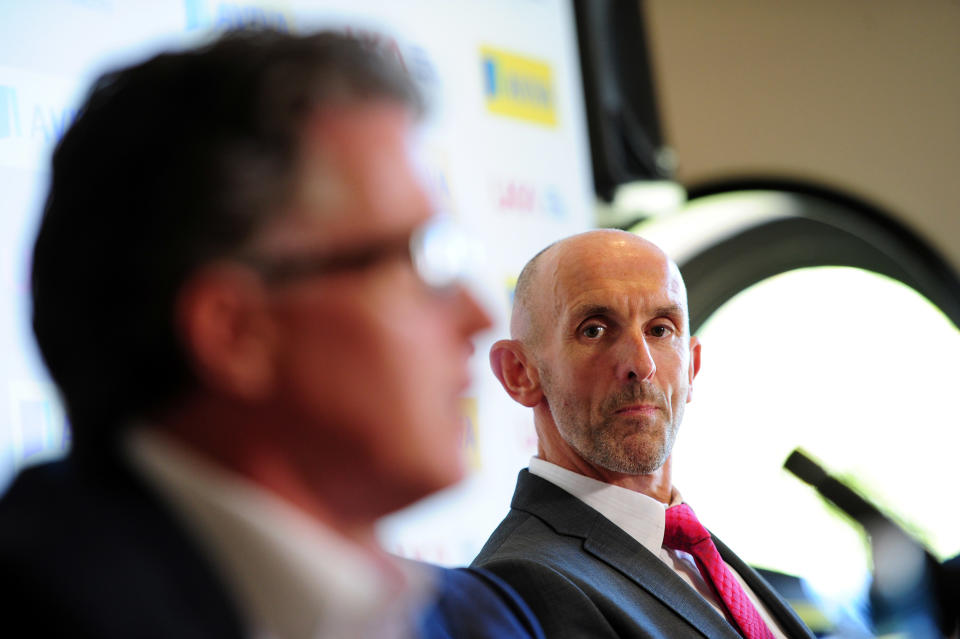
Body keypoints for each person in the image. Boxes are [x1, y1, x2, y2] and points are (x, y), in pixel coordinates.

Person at [0, 29, 543, 639]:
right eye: (417, 259)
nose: (478, 314)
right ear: (237, 333)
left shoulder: (483, 619)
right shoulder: (42, 606)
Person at [472, 229, 815, 639]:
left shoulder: (696, 552)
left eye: (660, 329)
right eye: (594, 330)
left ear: (692, 366)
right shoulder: (519, 588)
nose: (641, 363)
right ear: (520, 373)